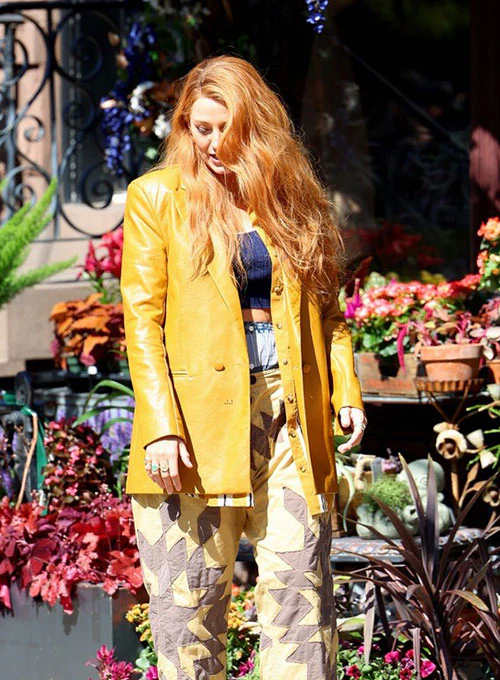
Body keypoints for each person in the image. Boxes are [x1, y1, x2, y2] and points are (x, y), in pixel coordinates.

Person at [121, 55, 366, 680]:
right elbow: (142, 320)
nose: (209, 143)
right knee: (188, 617)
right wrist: (160, 426)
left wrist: (345, 390)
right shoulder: (157, 197)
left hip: (290, 418)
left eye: (223, 129)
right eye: (198, 128)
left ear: (255, 128)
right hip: (193, 427)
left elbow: (330, 314)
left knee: (301, 605)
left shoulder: (293, 199)